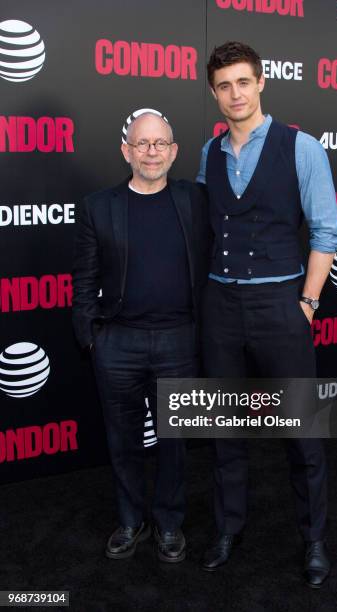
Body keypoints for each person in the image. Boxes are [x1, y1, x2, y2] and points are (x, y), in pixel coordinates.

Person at [197, 42, 337, 587]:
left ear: (261, 83)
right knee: (223, 429)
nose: (234, 94)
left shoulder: (302, 148)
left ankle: (314, 541)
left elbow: (326, 231)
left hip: (281, 302)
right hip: (221, 307)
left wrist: (306, 301)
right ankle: (228, 528)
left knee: (300, 432)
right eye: (223, 86)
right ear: (214, 94)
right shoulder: (208, 154)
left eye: (242, 82)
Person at [72, 110, 210, 563]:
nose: (151, 152)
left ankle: (169, 522)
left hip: (180, 342)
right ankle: (131, 520)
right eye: (141, 143)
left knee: (175, 443)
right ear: (125, 150)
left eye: (160, 144)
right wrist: (92, 337)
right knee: (122, 439)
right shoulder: (98, 206)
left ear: (173, 152)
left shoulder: (197, 200)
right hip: (118, 342)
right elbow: (85, 277)